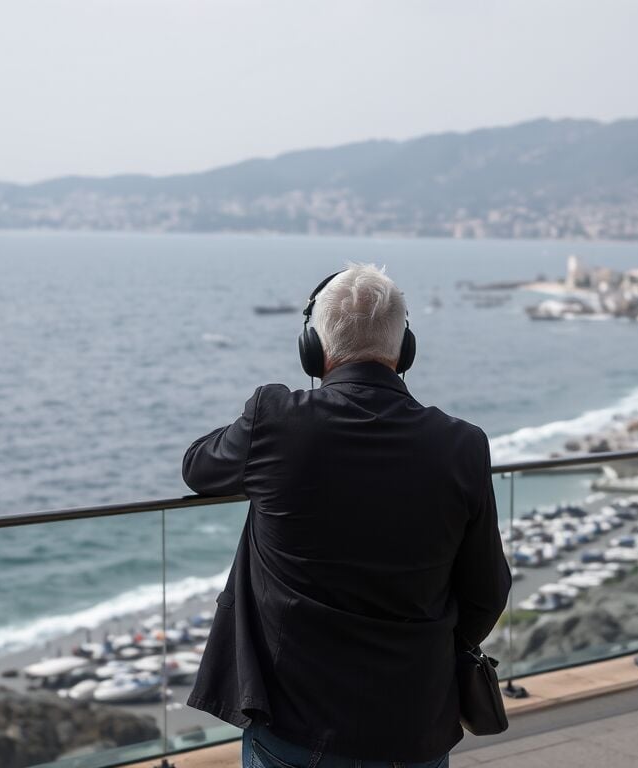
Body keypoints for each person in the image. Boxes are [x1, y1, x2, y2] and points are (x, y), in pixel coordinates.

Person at [181, 263, 512, 768]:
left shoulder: (275, 418)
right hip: (415, 722)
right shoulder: (463, 445)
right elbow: (487, 592)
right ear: (405, 351)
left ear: (312, 350)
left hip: (295, 721)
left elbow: (197, 468)